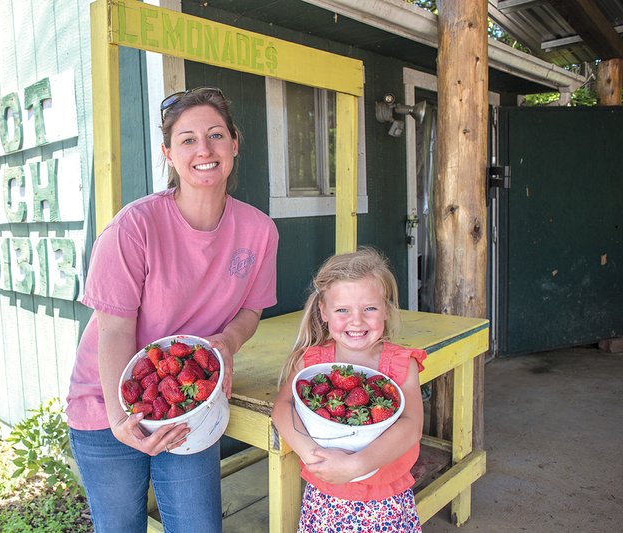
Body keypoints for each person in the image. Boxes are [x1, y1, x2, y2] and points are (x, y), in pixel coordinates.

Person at [66, 87, 279, 533]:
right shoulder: (134, 226)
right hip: (107, 401)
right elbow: (115, 330)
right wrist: (120, 415)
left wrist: (228, 340)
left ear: (235, 144)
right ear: (168, 153)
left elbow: (251, 311)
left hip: (191, 403)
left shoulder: (259, 230)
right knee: (120, 526)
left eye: (216, 135)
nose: (204, 149)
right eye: (187, 139)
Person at [271, 248, 426, 532]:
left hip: (385, 500)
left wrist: (357, 466)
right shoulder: (312, 361)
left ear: (387, 311)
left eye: (369, 308)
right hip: (325, 497)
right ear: (323, 312)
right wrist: (312, 454)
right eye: (343, 310)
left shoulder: (402, 364)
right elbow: (282, 407)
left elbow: (411, 426)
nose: (356, 321)